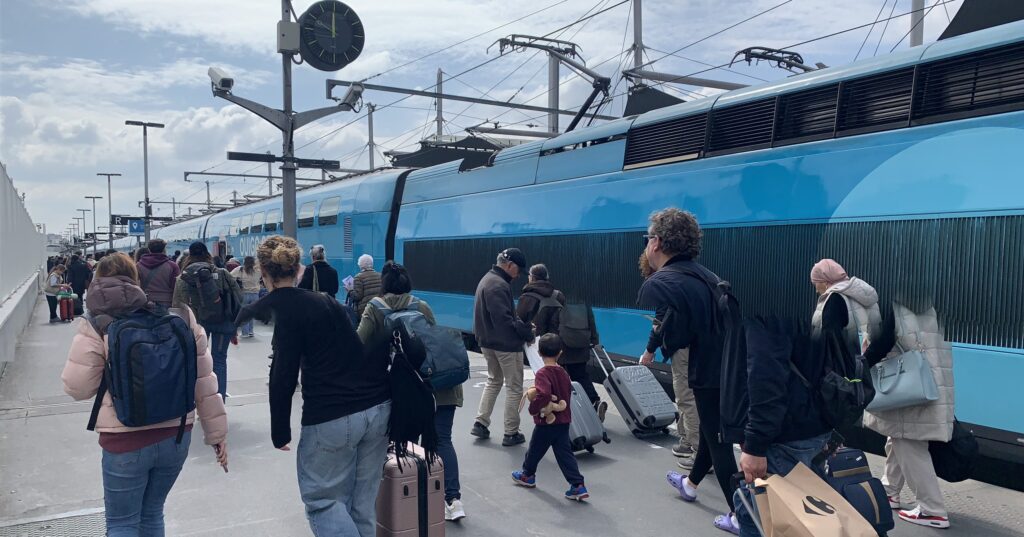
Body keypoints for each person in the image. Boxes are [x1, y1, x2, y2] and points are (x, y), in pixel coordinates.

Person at [61, 252, 228, 536]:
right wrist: (217, 435)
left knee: (122, 523)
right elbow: (204, 382)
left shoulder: (95, 323)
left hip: (124, 439)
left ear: (97, 279)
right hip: (177, 434)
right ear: (135, 278)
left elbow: (78, 388)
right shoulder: (181, 316)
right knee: (151, 514)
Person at [235, 235, 390, 537]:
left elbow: (283, 375)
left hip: (332, 416)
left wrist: (280, 430)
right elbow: (358, 348)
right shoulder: (329, 302)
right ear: (299, 269)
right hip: (376, 410)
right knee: (361, 504)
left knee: (324, 502)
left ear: (264, 274)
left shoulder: (289, 311)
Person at [637, 208, 738, 533]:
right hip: (723, 366)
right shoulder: (705, 275)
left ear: (657, 242)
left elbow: (676, 334)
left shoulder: (667, 281)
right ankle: (691, 483)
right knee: (711, 432)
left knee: (719, 441)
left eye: (649, 239)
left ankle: (741, 513)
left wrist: (658, 341)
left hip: (708, 372)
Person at [357, 262, 467, 522]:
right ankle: (453, 500)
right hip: (438, 385)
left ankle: (413, 500)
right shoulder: (421, 305)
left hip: (406, 389)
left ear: (384, 284)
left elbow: (358, 344)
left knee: (406, 445)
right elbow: (433, 343)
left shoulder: (375, 307)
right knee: (442, 440)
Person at [731, 310, 845, 537]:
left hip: (784, 434)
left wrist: (755, 444)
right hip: (814, 425)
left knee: (770, 517)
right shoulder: (820, 297)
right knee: (755, 509)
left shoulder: (767, 303)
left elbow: (766, 374)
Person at [862, 304, 954, 529]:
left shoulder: (896, 302)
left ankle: (932, 509)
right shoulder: (931, 300)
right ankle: (890, 490)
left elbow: (883, 341)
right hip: (927, 378)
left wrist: (861, 365)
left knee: (908, 441)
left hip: (909, 386)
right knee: (900, 435)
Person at [516, 264, 606, 419]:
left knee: (560, 380)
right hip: (580, 341)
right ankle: (594, 402)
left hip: (559, 345)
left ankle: (568, 410)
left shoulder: (531, 296)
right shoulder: (563, 296)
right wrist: (593, 340)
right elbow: (587, 320)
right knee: (581, 375)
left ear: (532, 277)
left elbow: (538, 324)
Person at [512, 333, 590, 501]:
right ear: (560, 353)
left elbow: (545, 393)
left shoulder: (542, 373)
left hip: (546, 423)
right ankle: (578, 485)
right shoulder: (563, 372)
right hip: (564, 421)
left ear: (539, 353)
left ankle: (527, 475)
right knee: (564, 454)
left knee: (534, 450)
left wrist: (534, 408)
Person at [471, 248, 534, 446]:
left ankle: (481, 422)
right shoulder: (498, 285)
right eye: (518, 270)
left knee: (494, 380)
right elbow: (505, 321)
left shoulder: (487, 279)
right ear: (510, 265)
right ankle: (511, 432)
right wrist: (526, 331)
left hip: (487, 342)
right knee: (514, 387)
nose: (518, 276)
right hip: (505, 344)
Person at [173, 241, 242, 400]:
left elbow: (177, 306)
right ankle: (219, 401)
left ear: (189, 256)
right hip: (222, 323)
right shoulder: (223, 273)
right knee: (219, 360)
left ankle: (199, 402)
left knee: (196, 362)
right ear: (208, 254)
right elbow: (238, 297)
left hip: (196, 327)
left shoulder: (181, 279)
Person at [810, 258, 881, 356]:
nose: (816, 290)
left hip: (845, 367)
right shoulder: (867, 296)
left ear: (826, 282)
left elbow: (829, 340)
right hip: (870, 363)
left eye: (815, 284)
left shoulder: (834, 300)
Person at [137, 239, 181, 308]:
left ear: (149, 249)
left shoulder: (138, 265)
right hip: (167, 303)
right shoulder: (172, 266)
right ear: (164, 249)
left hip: (145, 303)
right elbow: (176, 287)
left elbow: (135, 284)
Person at [231, 256, 261, 338]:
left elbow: (230, 277)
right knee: (252, 314)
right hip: (255, 295)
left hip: (244, 294)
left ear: (244, 262)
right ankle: (251, 331)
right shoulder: (258, 270)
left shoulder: (240, 269)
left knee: (244, 314)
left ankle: (245, 332)